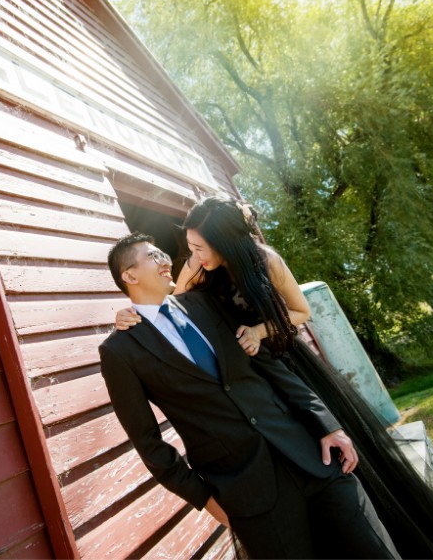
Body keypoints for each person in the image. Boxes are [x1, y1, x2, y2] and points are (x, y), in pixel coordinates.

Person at [114, 196, 433, 559]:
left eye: (198, 247)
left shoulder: (261, 263)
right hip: (246, 452)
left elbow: (295, 320)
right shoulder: (188, 284)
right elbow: (169, 309)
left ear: (221, 242)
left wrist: (261, 336)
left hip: (282, 367)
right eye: (187, 248)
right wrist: (128, 319)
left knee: (364, 515)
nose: (187, 257)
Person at [100, 232, 400, 559]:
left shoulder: (208, 302)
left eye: (163, 254)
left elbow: (272, 368)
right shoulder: (120, 351)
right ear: (129, 275)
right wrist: (206, 500)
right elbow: (148, 442)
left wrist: (328, 425)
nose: (165, 261)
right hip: (249, 496)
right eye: (153, 256)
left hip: (312, 458)